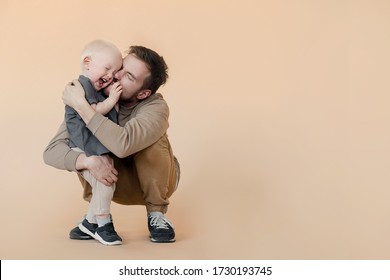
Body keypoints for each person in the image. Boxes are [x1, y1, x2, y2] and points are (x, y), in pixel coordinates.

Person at [43, 45, 180, 243]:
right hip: (111, 180)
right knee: (81, 142)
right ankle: (95, 216)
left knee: (152, 140)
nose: (116, 76)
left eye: (129, 77)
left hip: (158, 183)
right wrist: (88, 162)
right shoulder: (95, 97)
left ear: (142, 93)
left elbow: (124, 144)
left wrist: (81, 106)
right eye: (121, 68)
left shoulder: (155, 107)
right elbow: (51, 151)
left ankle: (156, 214)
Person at [64, 40, 124, 246]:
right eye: (107, 68)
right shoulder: (81, 86)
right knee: (105, 181)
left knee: (106, 181)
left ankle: (88, 224)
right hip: (83, 147)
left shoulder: (95, 88)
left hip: (93, 146)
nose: (110, 75)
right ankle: (103, 223)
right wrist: (112, 99)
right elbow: (93, 112)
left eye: (115, 72)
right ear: (87, 62)